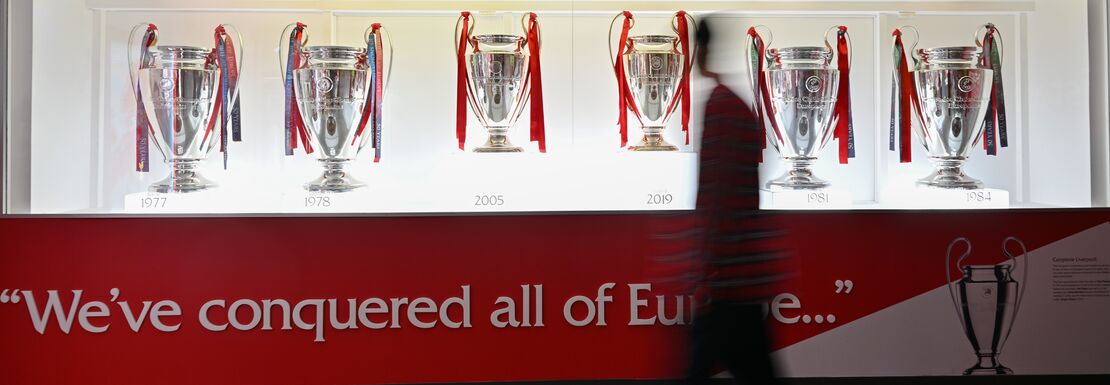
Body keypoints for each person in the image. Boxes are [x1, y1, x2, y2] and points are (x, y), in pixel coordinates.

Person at [685, 17, 788, 385]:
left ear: (698, 51)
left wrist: (707, 276)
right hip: (742, 279)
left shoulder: (720, 108)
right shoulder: (734, 105)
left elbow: (719, 198)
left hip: (728, 283)